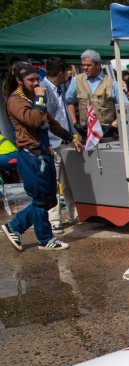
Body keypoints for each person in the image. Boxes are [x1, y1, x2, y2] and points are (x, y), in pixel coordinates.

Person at [2, 62, 83, 252]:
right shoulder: (15, 100)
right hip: (31, 156)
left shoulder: (32, 98)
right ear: (19, 80)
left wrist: (69, 136)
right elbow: (35, 120)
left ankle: (20, 229)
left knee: (49, 200)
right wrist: (40, 97)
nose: (35, 83)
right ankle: (39, 236)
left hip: (43, 154)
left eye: (37, 79)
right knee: (41, 200)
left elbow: (50, 122)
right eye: (30, 80)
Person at [41, 56, 77, 233]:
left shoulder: (61, 88)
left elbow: (64, 115)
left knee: (69, 180)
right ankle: (54, 218)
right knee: (53, 183)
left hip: (65, 140)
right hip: (51, 142)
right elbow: (42, 120)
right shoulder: (42, 90)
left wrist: (73, 135)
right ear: (61, 72)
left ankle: (73, 213)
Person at [66, 49, 124, 141]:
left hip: (106, 132)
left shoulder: (111, 83)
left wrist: (114, 125)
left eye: (89, 65)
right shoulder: (76, 80)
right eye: (83, 65)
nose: (85, 68)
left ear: (98, 65)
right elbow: (69, 102)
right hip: (85, 132)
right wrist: (75, 123)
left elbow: (126, 107)